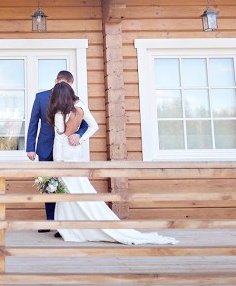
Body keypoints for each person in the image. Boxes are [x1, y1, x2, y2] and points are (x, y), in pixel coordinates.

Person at [47, 81, 178, 245]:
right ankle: (78, 226)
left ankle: (71, 228)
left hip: (65, 156)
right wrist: (80, 138)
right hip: (76, 154)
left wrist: (57, 162)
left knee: (68, 192)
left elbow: (59, 139)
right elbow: (94, 126)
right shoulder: (80, 107)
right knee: (79, 190)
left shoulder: (60, 114)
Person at [26, 70, 88, 229]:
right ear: (56, 81)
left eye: (68, 86)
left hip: (66, 149)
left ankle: (64, 224)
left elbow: (85, 124)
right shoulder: (41, 97)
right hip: (45, 148)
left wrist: (79, 135)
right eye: (62, 84)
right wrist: (30, 148)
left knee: (65, 184)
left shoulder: (75, 101)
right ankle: (51, 221)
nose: (65, 89)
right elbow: (33, 123)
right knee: (49, 185)